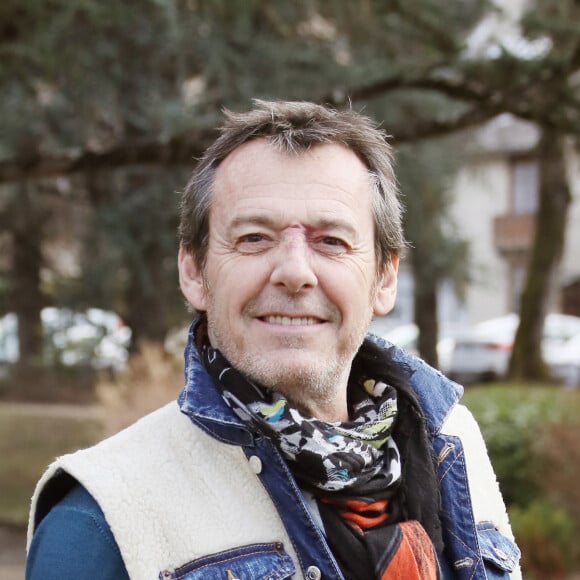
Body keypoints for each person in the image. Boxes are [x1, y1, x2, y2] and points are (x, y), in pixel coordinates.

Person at [26, 100, 521, 580]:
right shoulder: (103, 517)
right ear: (194, 271)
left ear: (385, 278)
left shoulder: (455, 443)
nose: (294, 272)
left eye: (331, 241)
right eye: (254, 238)